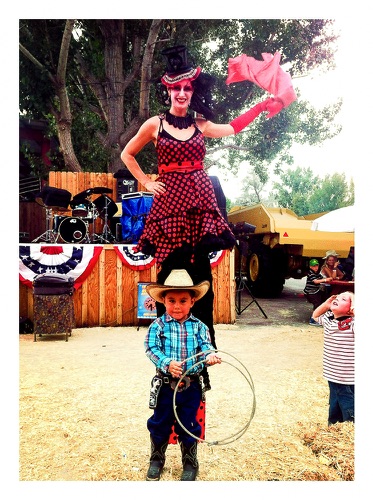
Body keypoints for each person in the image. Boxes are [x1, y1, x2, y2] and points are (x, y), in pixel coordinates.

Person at [120, 45, 286, 386]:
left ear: (192, 92)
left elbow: (234, 127)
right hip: (169, 208)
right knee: (168, 283)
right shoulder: (155, 124)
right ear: (167, 90)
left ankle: (200, 367)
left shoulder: (201, 124)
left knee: (202, 288)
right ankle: (166, 367)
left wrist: (259, 106)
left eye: (187, 88)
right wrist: (146, 182)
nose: (181, 93)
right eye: (175, 88)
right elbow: (127, 154)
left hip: (198, 204)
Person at [144, 269, 222, 481]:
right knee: (160, 420)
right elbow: (150, 348)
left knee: (188, 423)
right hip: (166, 385)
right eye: (171, 300)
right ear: (163, 301)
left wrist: (211, 356)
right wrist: (167, 363)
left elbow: (207, 348)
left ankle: (190, 461)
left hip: (192, 386)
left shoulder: (199, 327)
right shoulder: (157, 325)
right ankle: (157, 459)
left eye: (183, 300)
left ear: (192, 302)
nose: (177, 306)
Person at [312, 291, 354, 426]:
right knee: (334, 402)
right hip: (332, 375)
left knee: (349, 405)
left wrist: (356, 309)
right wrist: (326, 304)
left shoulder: (352, 324)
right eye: (337, 297)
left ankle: (350, 428)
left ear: (351, 309)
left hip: (348, 377)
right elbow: (315, 315)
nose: (337, 299)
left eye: (344, 299)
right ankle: (334, 427)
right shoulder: (329, 319)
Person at [304, 258, 333, 326]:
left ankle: (320, 317)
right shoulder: (310, 273)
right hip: (310, 292)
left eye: (317, 266)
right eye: (314, 266)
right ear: (310, 267)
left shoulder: (316, 273)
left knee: (322, 302)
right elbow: (316, 281)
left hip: (315, 291)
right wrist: (326, 280)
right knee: (317, 305)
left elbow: (321, 278)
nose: (316, 267)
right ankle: (313, 319)